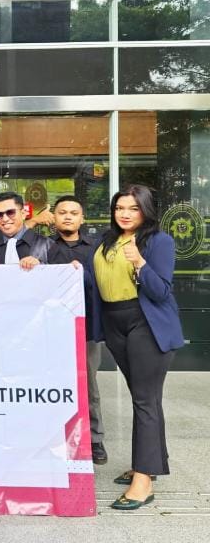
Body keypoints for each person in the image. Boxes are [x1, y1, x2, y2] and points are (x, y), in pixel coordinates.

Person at [89, 185, 184, 510]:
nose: (125, 214)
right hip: (115, 323)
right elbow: (96, 281)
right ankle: (150, 463)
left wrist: (141, 263)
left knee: (144, 401)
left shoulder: (159, 241)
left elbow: (161, 291)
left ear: (146, 210)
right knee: (146, 399)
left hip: (146, 323)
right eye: (120, 208)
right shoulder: (106, 241)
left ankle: (143, 481)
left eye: (133, 208)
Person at [47, 196, 107, 465]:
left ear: (82, 218)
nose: (68, 217)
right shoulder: (45, 248)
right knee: (54, 384)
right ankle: (57, 437)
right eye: (62, 212)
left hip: (87, 327)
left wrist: (80, 273)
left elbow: (101, 283)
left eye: (74, 212)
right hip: (52, 327)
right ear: (54, 218)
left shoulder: (96, 248)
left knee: (88, 384)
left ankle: (95, 439)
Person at [0, 191, 53, 269]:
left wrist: (40, 266)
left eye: (11, 212)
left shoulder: (47, 245)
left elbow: (60, 274)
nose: (5, 219)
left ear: (23, 214)